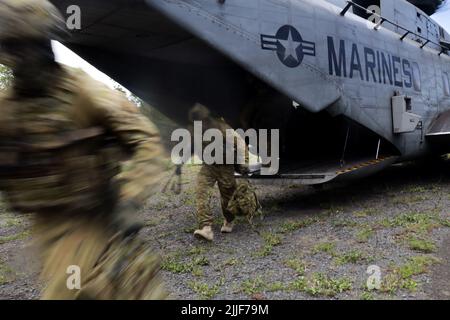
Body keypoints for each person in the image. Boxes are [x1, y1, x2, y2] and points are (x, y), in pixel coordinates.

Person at [0, 0, 167, 299]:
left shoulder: (86, 94)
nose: (22, 58)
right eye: (13, 49)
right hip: (51, 232)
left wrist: (130, 198)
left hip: (100, 216)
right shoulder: (7, 112)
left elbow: (146, 141)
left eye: (30, 46)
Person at [189, 104, 253, 241]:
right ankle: (206, 228)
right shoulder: (195, 130)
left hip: (225, 166)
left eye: (201, 119)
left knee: (228, 197)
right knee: (202, 191)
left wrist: (244, 162)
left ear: (206, 117)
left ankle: (229, 220)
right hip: (209, 166)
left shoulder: (221, 126)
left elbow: (240, 143)